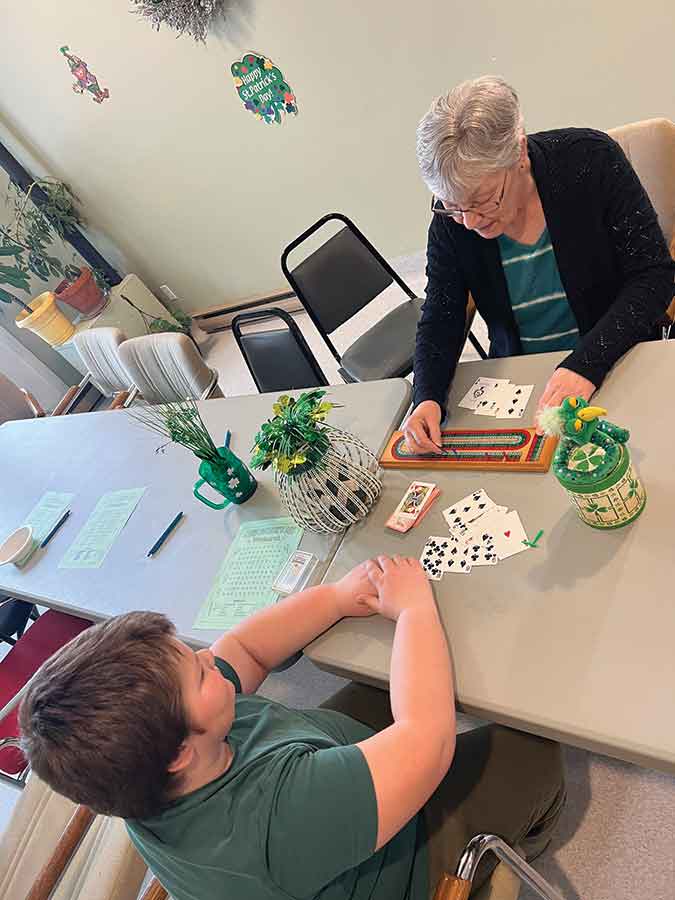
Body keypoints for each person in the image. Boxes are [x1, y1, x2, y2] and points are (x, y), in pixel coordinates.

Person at [19, 557, 565, 899]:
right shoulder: (273, 820)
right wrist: (415, 610)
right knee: (534, 741)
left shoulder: (148, 772)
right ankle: (514, 845)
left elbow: (246, 648)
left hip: (315, 756)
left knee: (376, 665)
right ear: (179, 753)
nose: (209, 658)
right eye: (197, 672)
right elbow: (428, 739)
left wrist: (336, 596)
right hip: (410, 858)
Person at [404, 76, 675, 454]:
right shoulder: (454, 220)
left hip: (620, 353)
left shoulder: (591, 159)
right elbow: (441, 314)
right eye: (453, 206)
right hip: (530, 381)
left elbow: (654, 276)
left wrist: (586, 364)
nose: (470, 221)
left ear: (519, 154)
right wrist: (427, 396)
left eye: (484, 200)